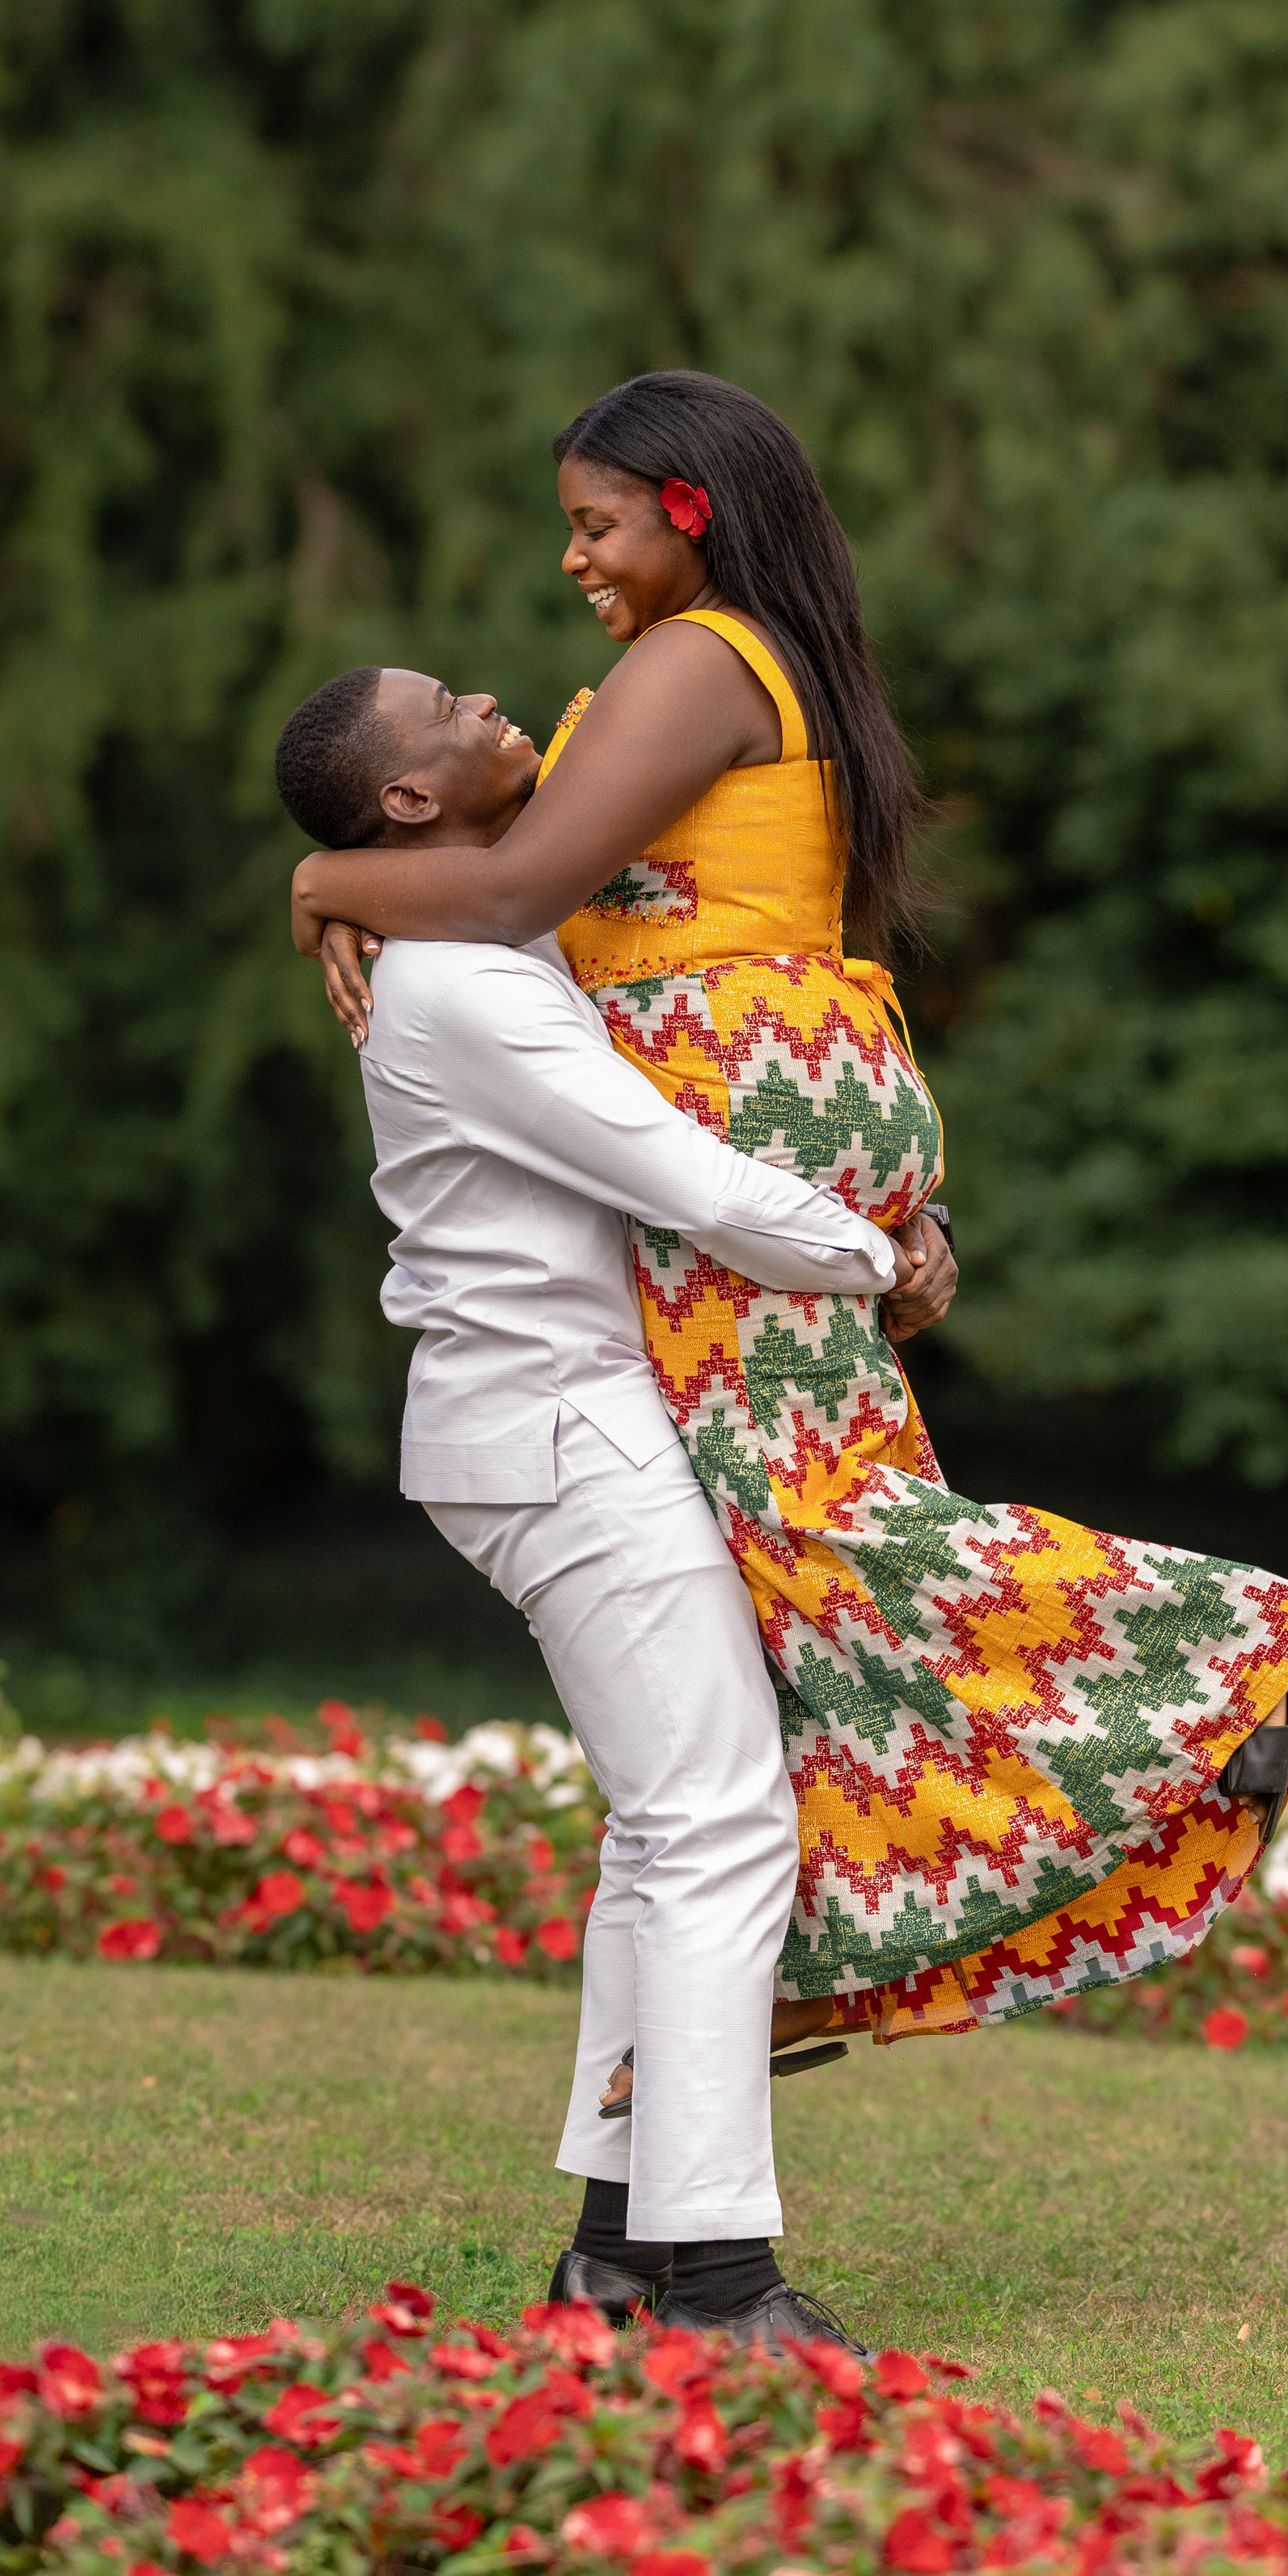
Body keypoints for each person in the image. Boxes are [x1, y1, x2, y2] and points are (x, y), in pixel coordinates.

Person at [289, 369, 1288, 2065]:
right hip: (785, 1079)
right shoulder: (741, 660)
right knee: (781, 1561)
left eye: (596, 523)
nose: (573, 560)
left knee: (816, 1525)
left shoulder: (692, 662)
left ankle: (1219, 1663)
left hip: (738, 1097)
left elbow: (509, 888)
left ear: (689, 512)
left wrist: (322, 876)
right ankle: (786, 1975)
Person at [272, 661, 952, 2346]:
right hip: (558, 1430)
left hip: (559, 1422)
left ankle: (617, 2257)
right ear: (410, 798)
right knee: (717, 1822)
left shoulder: (489, 944)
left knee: (669, 1830)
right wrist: (883, 1259)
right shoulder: (460, 989)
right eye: (444, 704)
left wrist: (325, 883)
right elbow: (679, 1176)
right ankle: (717, 2284)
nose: (487, 693)